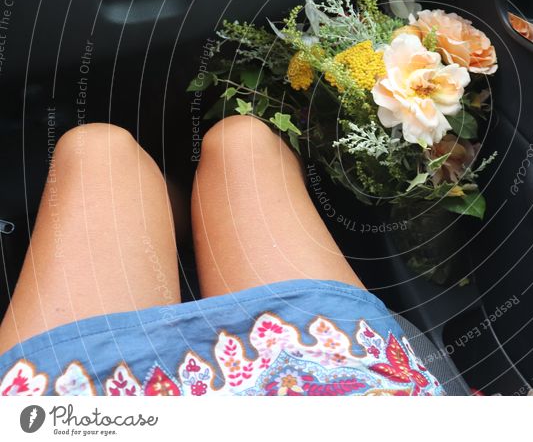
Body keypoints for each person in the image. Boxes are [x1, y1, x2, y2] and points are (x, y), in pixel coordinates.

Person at [0, 117, 443, 396]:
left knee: (99, 147)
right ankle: (184, 222)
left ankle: (169, 220)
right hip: (333, 380)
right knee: (242, 140)